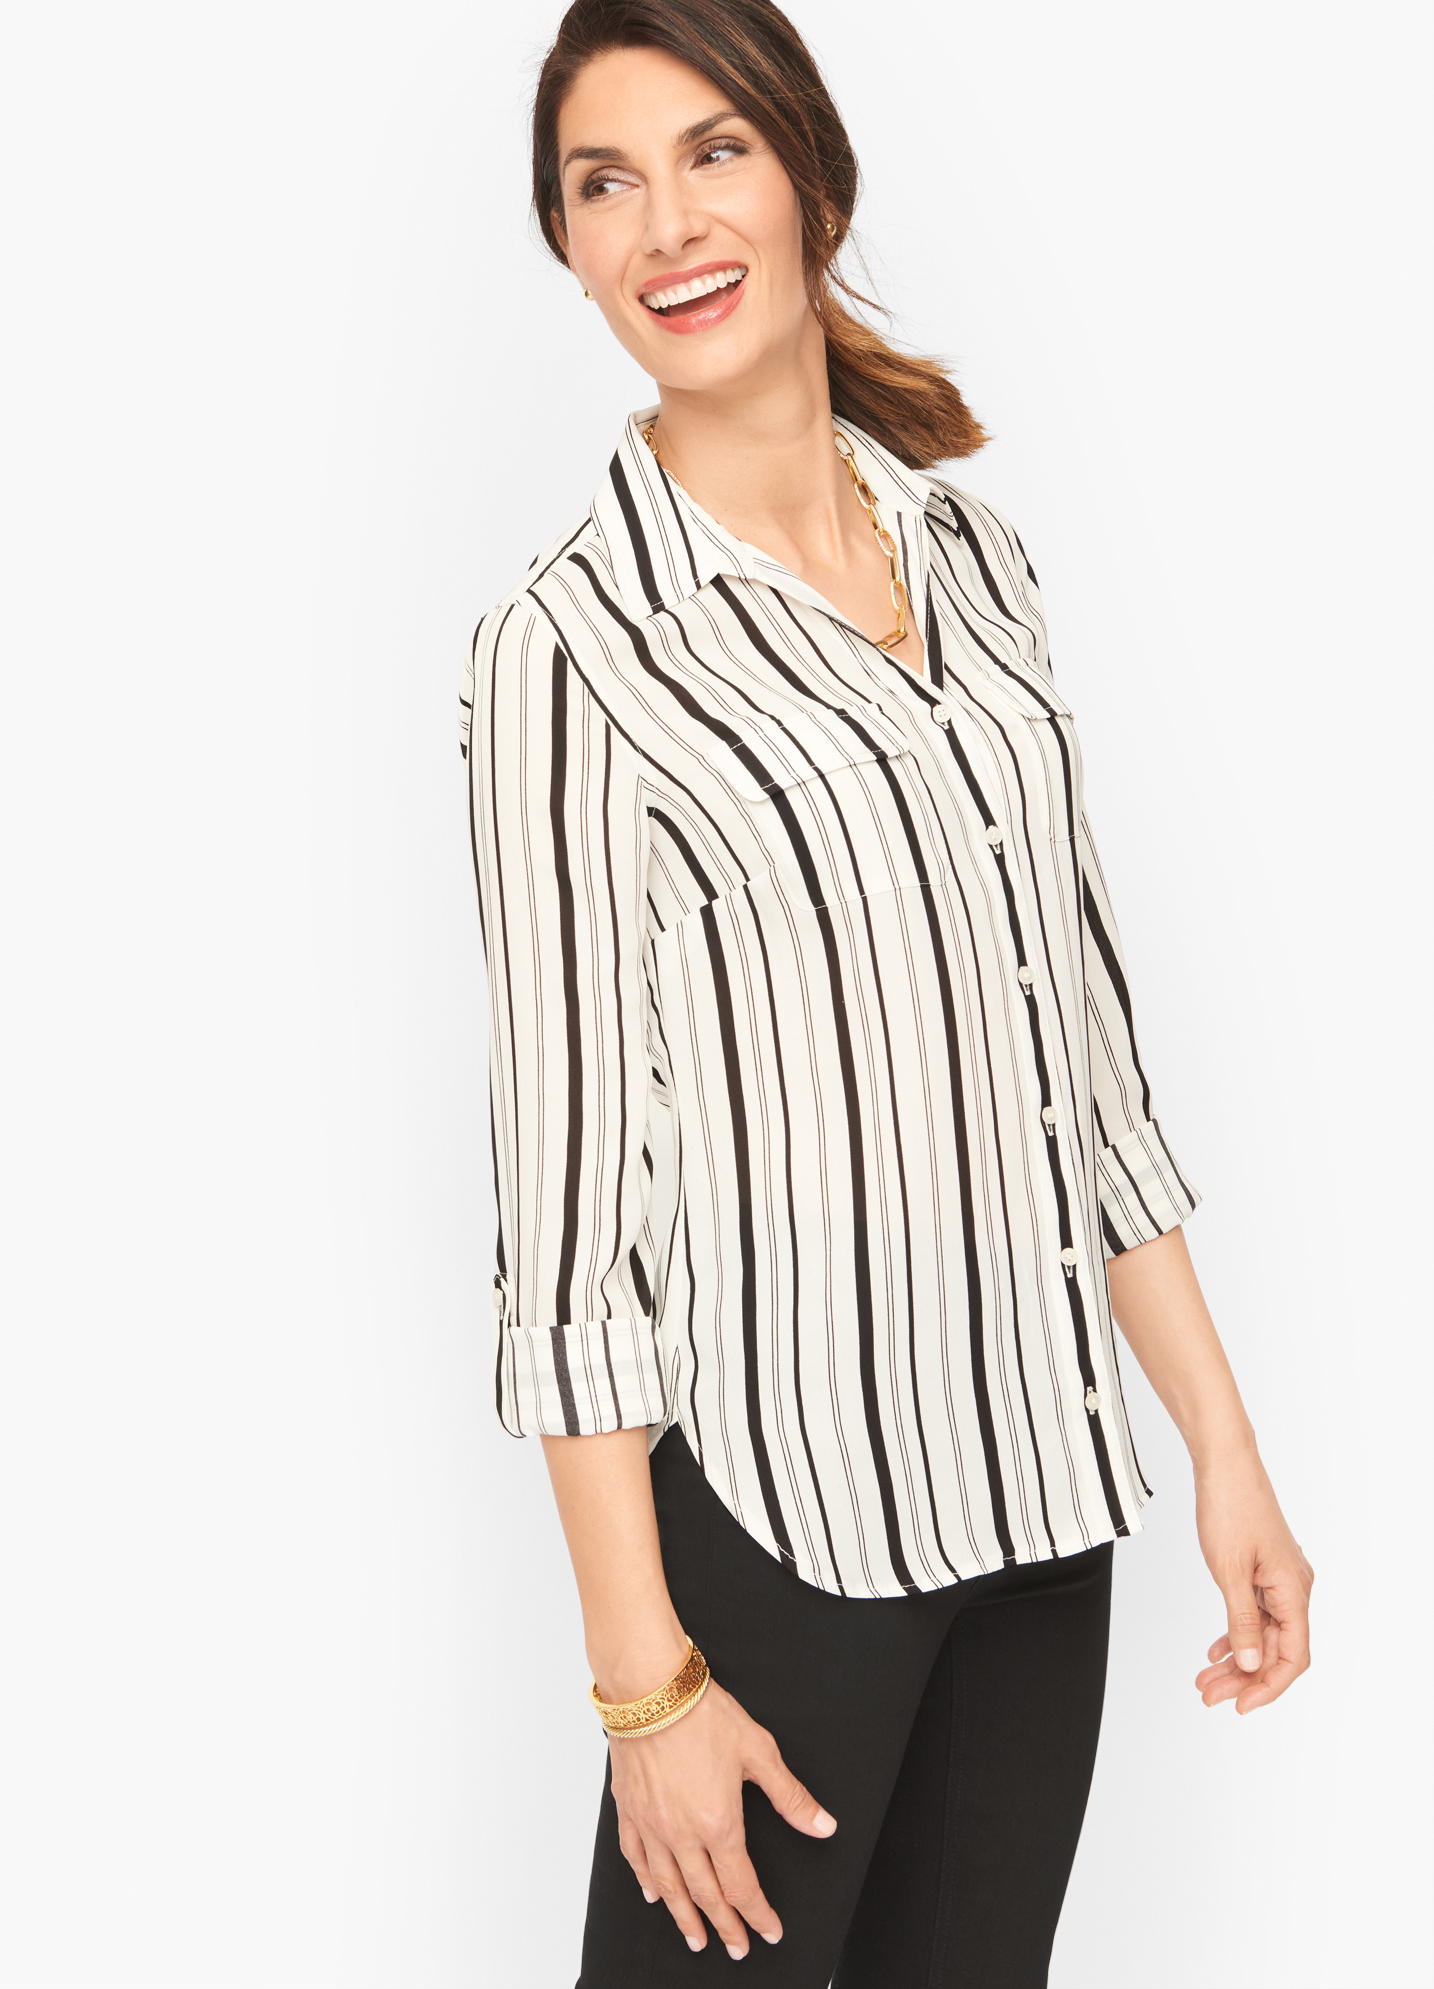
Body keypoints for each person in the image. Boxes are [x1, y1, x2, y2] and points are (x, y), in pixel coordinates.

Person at [457, 2, 1313, 1981]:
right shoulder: (570, 649)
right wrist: (645, 1687)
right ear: (569, 247)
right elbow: (569, 1225)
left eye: (714, 152)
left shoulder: (975, 558)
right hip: (786, 1535)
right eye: (605, 182)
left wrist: (1223, 1446)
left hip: (1042, 1507)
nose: (667, 222)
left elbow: (1080, 1060)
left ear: (811, 180)